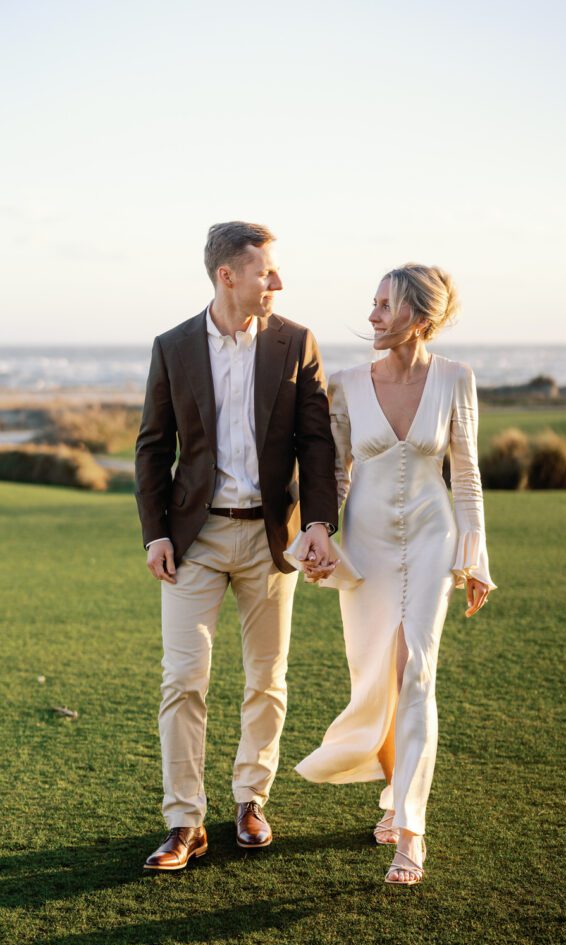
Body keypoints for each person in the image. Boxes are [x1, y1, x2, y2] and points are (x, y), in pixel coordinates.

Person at [135, 221, 338, 870]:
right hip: (194, 538)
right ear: (228, 276)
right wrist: (156, 532)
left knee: (265, 679)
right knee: (182, 681)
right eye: (264, 272)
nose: (276, 282)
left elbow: (317, 441)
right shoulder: (172, 346)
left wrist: (318, 523)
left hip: (271, 539)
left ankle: (250, 801)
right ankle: (183, 823)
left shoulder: (296, 342)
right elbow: (152, 447)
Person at [295, 263, 497, 886]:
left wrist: (475, 558)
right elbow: (336, 474)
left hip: (434, 541)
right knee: (376, 676)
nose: (373, 315)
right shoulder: (348, 384)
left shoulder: (457, 380)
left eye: (385, 305)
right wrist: (319, 535)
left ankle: (410, 830)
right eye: (374, 303)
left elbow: (465, 476)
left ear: (420, 317)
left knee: (415, 671)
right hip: (369, 545)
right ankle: (391, 790)